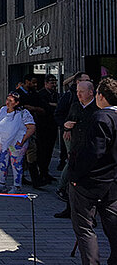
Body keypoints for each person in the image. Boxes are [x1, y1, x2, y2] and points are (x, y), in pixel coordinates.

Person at [68, 77, 117, 265]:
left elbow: (92, 153)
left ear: (101, 96)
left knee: (84, 229)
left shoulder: (101, 117)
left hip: (91, 183)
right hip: (112, 184)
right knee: (112, 225)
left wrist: (74, 176)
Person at [54, 80, 99, 218]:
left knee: (89, 184)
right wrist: (66, 126)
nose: (78, 94)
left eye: (81, 92)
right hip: (75, 148)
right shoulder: (75, 106)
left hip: (90, 150)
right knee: (71, 180)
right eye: (77, 92)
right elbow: (67, 121)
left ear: (91, 92)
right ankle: (70, 209)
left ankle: (90, 215)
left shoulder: (97, 109)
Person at [0, 91, 36, 194]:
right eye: (7, 100)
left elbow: (31, 128)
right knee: (2, 163)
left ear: (17, 103)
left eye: (10, 101)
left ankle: (17, 186)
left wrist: (22, 141)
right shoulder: (3, 110)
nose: (7, 103)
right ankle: (2, 184)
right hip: (3, 143)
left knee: (17, 164)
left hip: (17, 144)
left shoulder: (23, 113)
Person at [55, 72, 91, 170]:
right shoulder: (69, 96)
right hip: (71, 133)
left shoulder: (93, 97)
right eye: (86, 80)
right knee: (71, 161)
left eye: (89, 80)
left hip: (85, 134)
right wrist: (65, 127)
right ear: (78, 82)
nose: (89, 82)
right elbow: (58, 114)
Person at [17, 73, 45, 188]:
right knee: (23, 154)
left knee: (31, 153)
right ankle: (23, 178)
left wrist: (33, 108)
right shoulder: (18, 94)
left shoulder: (34, 94)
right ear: (26, 82)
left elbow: (42, 108)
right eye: (32, 82)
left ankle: (35, 180)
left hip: (32, 127)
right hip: (20, 128)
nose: (34, 85)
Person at [37, 74, 59, 183]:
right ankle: (42, 172)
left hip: (52, 124)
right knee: (42, 150)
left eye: (55, 82)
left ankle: (46, 171)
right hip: (42, 125)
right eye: (52, 83)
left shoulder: (56, 94)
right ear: (46, 83)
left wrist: (52, 105)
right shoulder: (41, 94)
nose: (54, 85)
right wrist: (51, 105)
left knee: (49, 149)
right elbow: (44, 107)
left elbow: (59, 106)